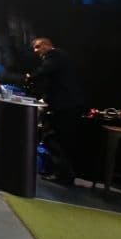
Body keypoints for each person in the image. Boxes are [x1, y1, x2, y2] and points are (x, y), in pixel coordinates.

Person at [25, 37, 84, 185]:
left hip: (65, 106)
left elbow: (44, 71)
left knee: (54, 137)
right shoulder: (61, 57)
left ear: (47, 45)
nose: (35, 51)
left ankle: (63, 175)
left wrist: (30, 77)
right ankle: (62, 173)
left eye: (38, 47)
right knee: (57, 138)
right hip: (67, 104)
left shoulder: (55, 55)